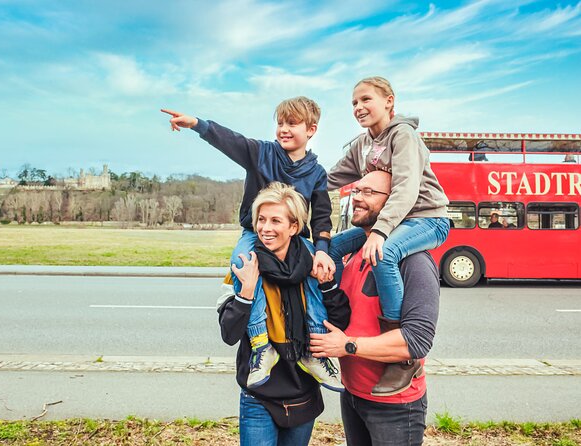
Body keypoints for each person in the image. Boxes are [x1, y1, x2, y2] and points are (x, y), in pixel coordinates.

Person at [161, 99, 341, 391]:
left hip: (296, 238)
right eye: (280, 123)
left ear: (311, 130)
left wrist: (321, 249)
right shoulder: (262, 153)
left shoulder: (317, 172)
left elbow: (322, 216)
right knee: (244, 265)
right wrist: (197, 124)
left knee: (314, 270)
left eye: (291, 124)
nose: (283, 129)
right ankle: (261, 345)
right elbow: (231, 140)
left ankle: (314, 349)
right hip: (255, 233)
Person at [324, 76, 449, 396]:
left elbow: (406, 189)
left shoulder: (404, 136)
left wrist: (379, 232)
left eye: (366, 99)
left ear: (389, 101)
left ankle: (402, 359)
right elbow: (330, 179)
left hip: (425, 218)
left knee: (385, 253)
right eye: (354, 102)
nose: (358, 107)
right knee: (333, 247)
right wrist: (290, 186)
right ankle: (335, 315)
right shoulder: (362, 144)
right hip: (395, 222)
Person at [310, 170, 440, 446]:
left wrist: (347, 346)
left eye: (369, 192)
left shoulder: (414, 262)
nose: (357, 198)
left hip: (394, 407)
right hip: (353, 394)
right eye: (357, 190)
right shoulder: (355, 253)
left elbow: (416, 341)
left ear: (394, 202)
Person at [218, 182, 351, 446]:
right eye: (261, 220)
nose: (265, 229)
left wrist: (326, 283)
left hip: (304, 394)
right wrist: (245, 292)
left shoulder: (315, 262)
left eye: (275, 221)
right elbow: (229, 333)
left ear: (293, 227)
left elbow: (339, 320)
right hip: (259, 396)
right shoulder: (244, 265)